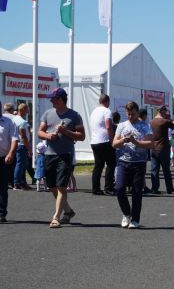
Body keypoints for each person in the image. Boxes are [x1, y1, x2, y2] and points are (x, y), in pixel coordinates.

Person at [37, 88, 85, 228]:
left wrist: (66, 131)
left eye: (53, 98)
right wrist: (47, 136)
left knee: (61, 187)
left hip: (65, 154)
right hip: (49, 154)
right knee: (52, 187)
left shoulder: (74, 116)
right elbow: (40, 131)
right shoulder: (48, 113)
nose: (51, 101)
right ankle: (68, 211)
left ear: (61, 99)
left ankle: (56, 217)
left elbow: (81, 136)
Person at [112, 101, 154, 229]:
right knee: (119, 188)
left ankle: (135, 219)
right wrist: (122, 140)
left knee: (136, 192)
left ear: (137, 113)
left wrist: (136, 142)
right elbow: (114, 144)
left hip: (139, 163)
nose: (131, 116)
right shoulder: (122, 126)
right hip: (123, 161)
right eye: (128, 114)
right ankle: (126, 213)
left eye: (133, 114)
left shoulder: (145, 126)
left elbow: (151, 144)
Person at [88, 94, 115, 195]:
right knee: (111, 164)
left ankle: (95, 188)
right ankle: (108, 187)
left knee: (98, 166)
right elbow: (108, 126)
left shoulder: (94, 111)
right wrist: (112, 140)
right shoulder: (107, 111)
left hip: (94, 141)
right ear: (107, 101)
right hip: (104, 141)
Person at [149, 105, 174, 194]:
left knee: (154, 170)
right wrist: (173, 121)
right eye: (166, 111)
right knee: (166, 170)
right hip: (163, 148)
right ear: (163, 111)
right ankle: (169, 188)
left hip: (153, 148)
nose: (167, 113)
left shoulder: (151, 121)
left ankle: (154, 188)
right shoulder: (165, 121)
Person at [0, 100, 19, 223]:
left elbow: (14, 138)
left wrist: (11, 153)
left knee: (2, 187)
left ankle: (1, 213)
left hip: (3, 158)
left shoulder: (8, 122)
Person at [10, 103, 34, 190]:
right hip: (21, 145)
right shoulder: (22, 122)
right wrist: (29, 148)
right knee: (21, 164)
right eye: (27, 110)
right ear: (22, 110)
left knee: (21, 164)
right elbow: (23, 136)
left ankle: (22, 183)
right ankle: (16, 183)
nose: (28, 112)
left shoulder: (14, 119)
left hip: (15, 144)